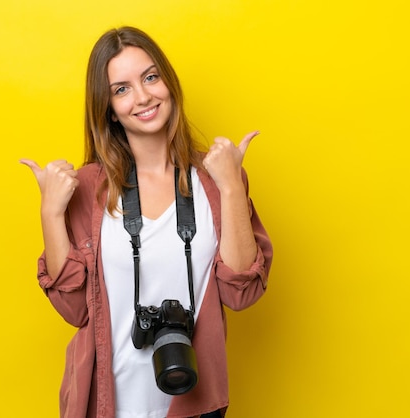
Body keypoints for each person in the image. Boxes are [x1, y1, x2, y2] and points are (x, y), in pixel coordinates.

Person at [21, 26, 273, 418]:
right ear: (108, 108)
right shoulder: (86, 187)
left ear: (168, 82)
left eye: (150, 77)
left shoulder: (215, 177)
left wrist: (231, 188)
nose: (142, 97)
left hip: (193, 401)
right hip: (106, 400)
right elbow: (75, 310)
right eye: (122, 89)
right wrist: (50, 213)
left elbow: (242, 293)